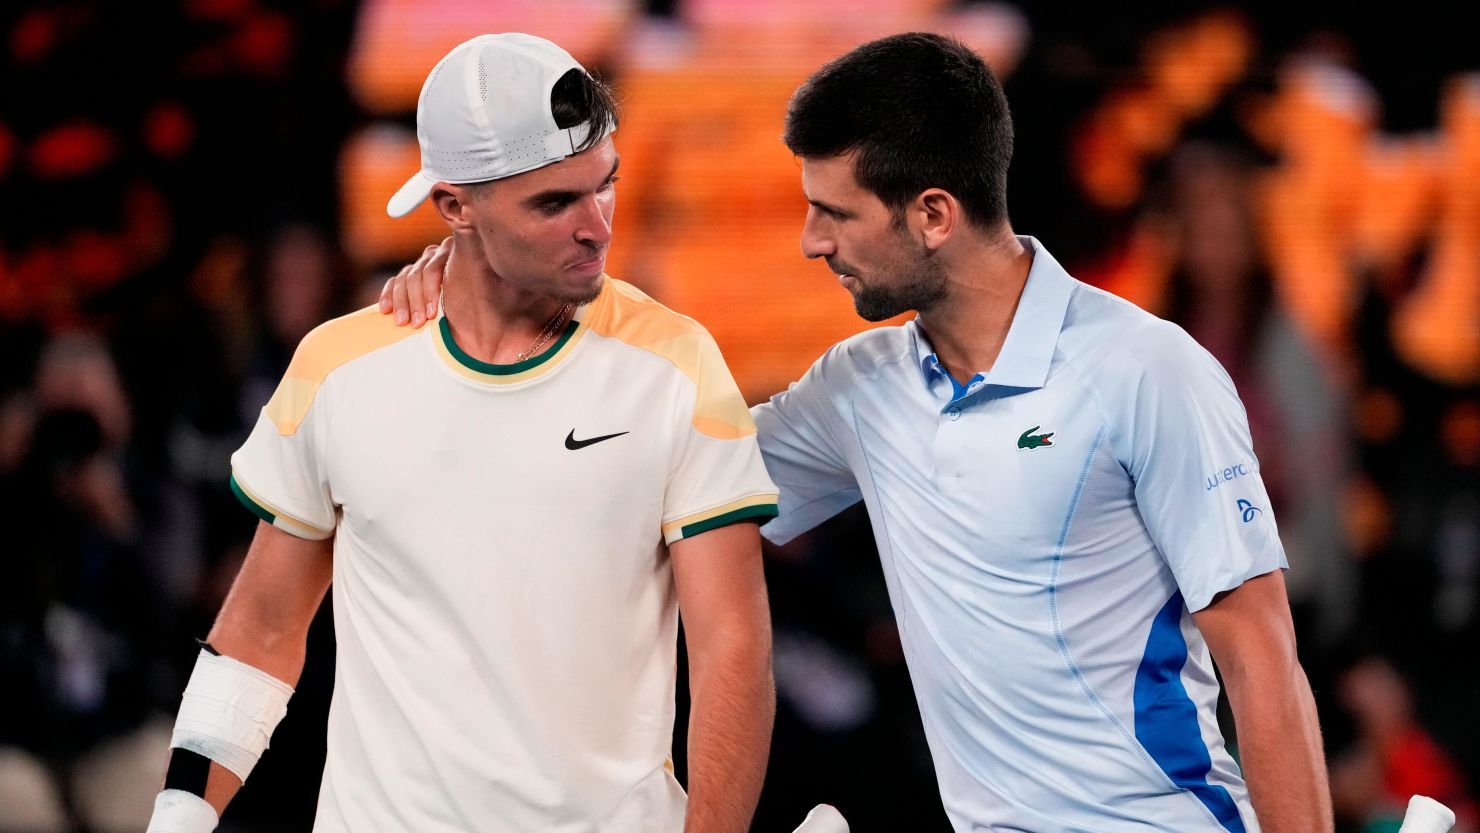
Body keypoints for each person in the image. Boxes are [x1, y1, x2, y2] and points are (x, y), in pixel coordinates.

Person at [384, 32, 1332, 833]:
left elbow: (1261, 661)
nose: (812, 242)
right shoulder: (858, 388)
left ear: (933, 216)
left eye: (834, 213)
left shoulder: (1148, 373)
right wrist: (488, 277)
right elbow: (651, 475)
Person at [146, 34, 778, 833]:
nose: (596, 227)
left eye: (605, 185)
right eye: (554, 203)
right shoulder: (338, 367)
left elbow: (732, 649)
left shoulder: (677, 366)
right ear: (454, 207)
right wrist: (178, 815)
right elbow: (262, 631)